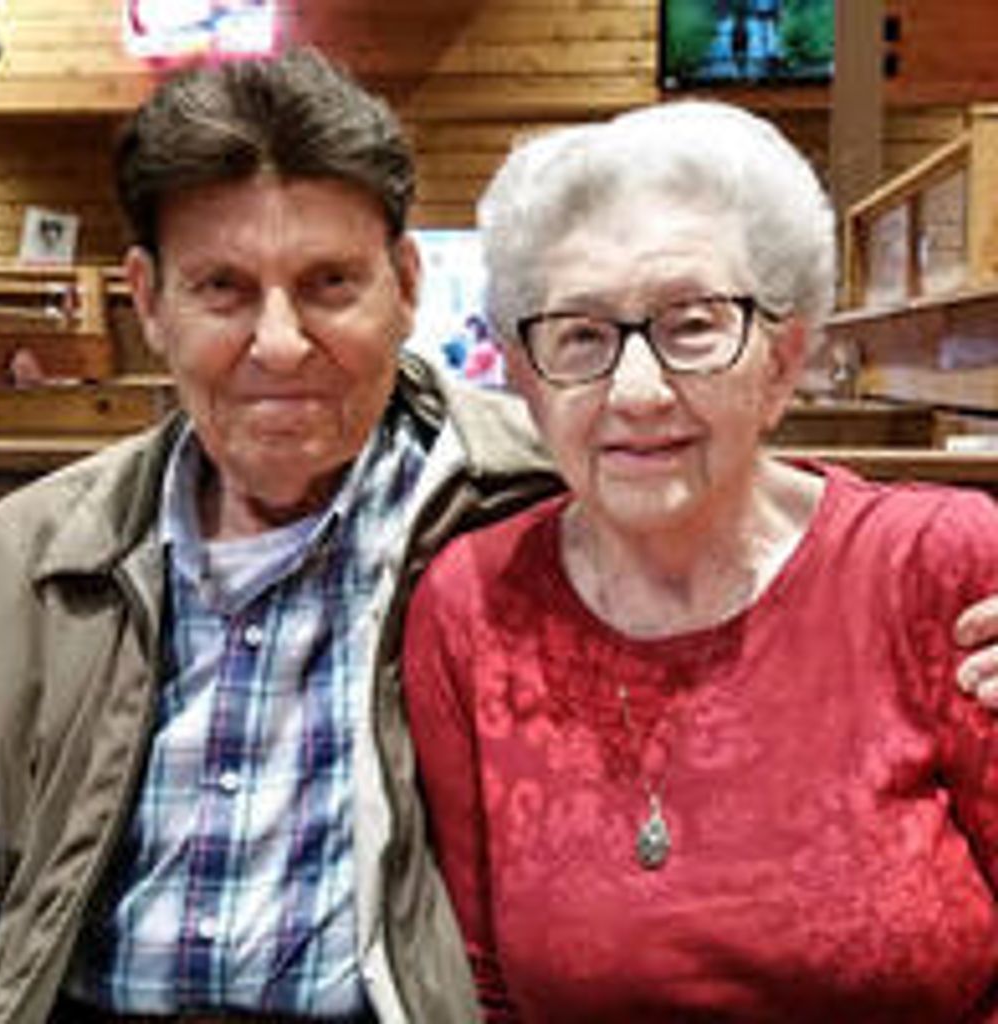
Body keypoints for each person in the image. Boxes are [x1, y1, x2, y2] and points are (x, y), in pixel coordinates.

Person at [0, 47, 561, 1023]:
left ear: (405, 284)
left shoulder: (533, 511)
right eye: (223, 287)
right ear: (149, 300)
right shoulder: (15, 561)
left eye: (329, 282)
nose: (280, 345)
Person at [403, 101, 998, 1023]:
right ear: (524, 376)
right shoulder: (473, 605)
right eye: (580, 335)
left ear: (782, 361)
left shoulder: (936, 569)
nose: (637, 392)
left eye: (692, 325)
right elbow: (480, 988)